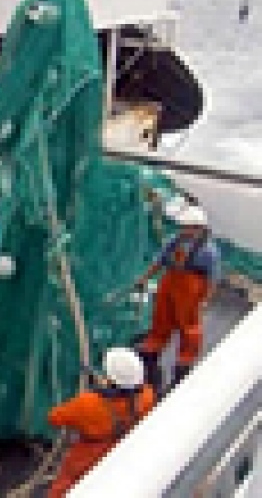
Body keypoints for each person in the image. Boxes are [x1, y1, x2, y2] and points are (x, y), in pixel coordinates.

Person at [134, 204, 220, 393]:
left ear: (200, 228)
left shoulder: (209, 251)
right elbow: (161, 261)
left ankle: (183, 365)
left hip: (191, 288)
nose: (184, 230)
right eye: (183, 226)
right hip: (170, 281)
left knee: (189, 327)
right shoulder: (175, 240)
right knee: (161, 318)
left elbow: (212, 279)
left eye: (188, 227)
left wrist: (205, 300)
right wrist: (145, 278)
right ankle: (151, 353)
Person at [47, 348, 155, 497]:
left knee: (65, 489)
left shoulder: (88, 403)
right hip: (121, 455)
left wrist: (96, 393)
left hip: (87, 460)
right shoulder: (147, 395)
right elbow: (125, 395)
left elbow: (54, 417)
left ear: (110, 379)